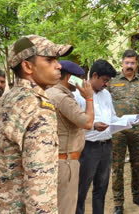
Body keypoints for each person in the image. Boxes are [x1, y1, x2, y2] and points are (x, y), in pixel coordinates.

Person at [0, 35, 73, 213]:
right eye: (49, 59)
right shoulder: (38, 107)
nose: (59, 65)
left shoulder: (7, 99)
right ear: (27, 66)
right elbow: (40, 186)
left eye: (57, 59)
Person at [46, 60, 94, 214]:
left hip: (59, 159)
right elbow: (87, 122)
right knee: (66, 208)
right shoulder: (62, 98)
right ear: (69, 78)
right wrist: (89, 98)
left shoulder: (51, 93)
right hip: (65, 162)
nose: (82, 82)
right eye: (79, 78)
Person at [109, 50, 139, 214]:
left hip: (137, 131)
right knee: (117, 167)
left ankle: (137, 196)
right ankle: (118, 203)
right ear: (122, 63)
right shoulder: (112, 81)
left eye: (132, 63)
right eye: (127, 63)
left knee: (137, 165)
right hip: (118, 131)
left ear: (137, 64)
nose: (129, 66)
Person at [74, 59, 117, 214]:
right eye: (105, 80)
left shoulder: (107, 95)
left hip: (106, 146)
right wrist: (93, 126)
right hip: (88, 148)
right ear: (94, 76)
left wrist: (126, 121)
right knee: (81, 189)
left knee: (101, 188)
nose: (106, 84)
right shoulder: (77, 94)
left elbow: (112, 117)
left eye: (108, 81)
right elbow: (75, 123)